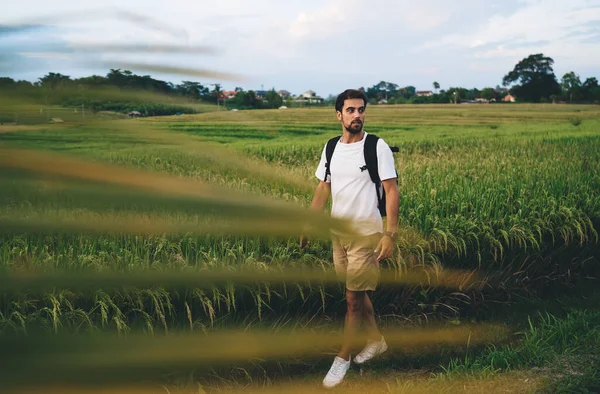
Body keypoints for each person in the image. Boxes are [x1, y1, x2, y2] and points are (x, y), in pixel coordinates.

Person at [301, 89, 399, 388]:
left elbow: (392, 190)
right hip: (338, 235)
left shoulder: (376, 146)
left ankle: (342, 357)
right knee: (356, 292)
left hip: (365, 234)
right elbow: (322, 187)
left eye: (361, 110)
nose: (357, 115)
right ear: (339, 115)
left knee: (352, 300)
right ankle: (377, 341)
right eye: (351, 110)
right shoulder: (331, 148)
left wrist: (390, 234)